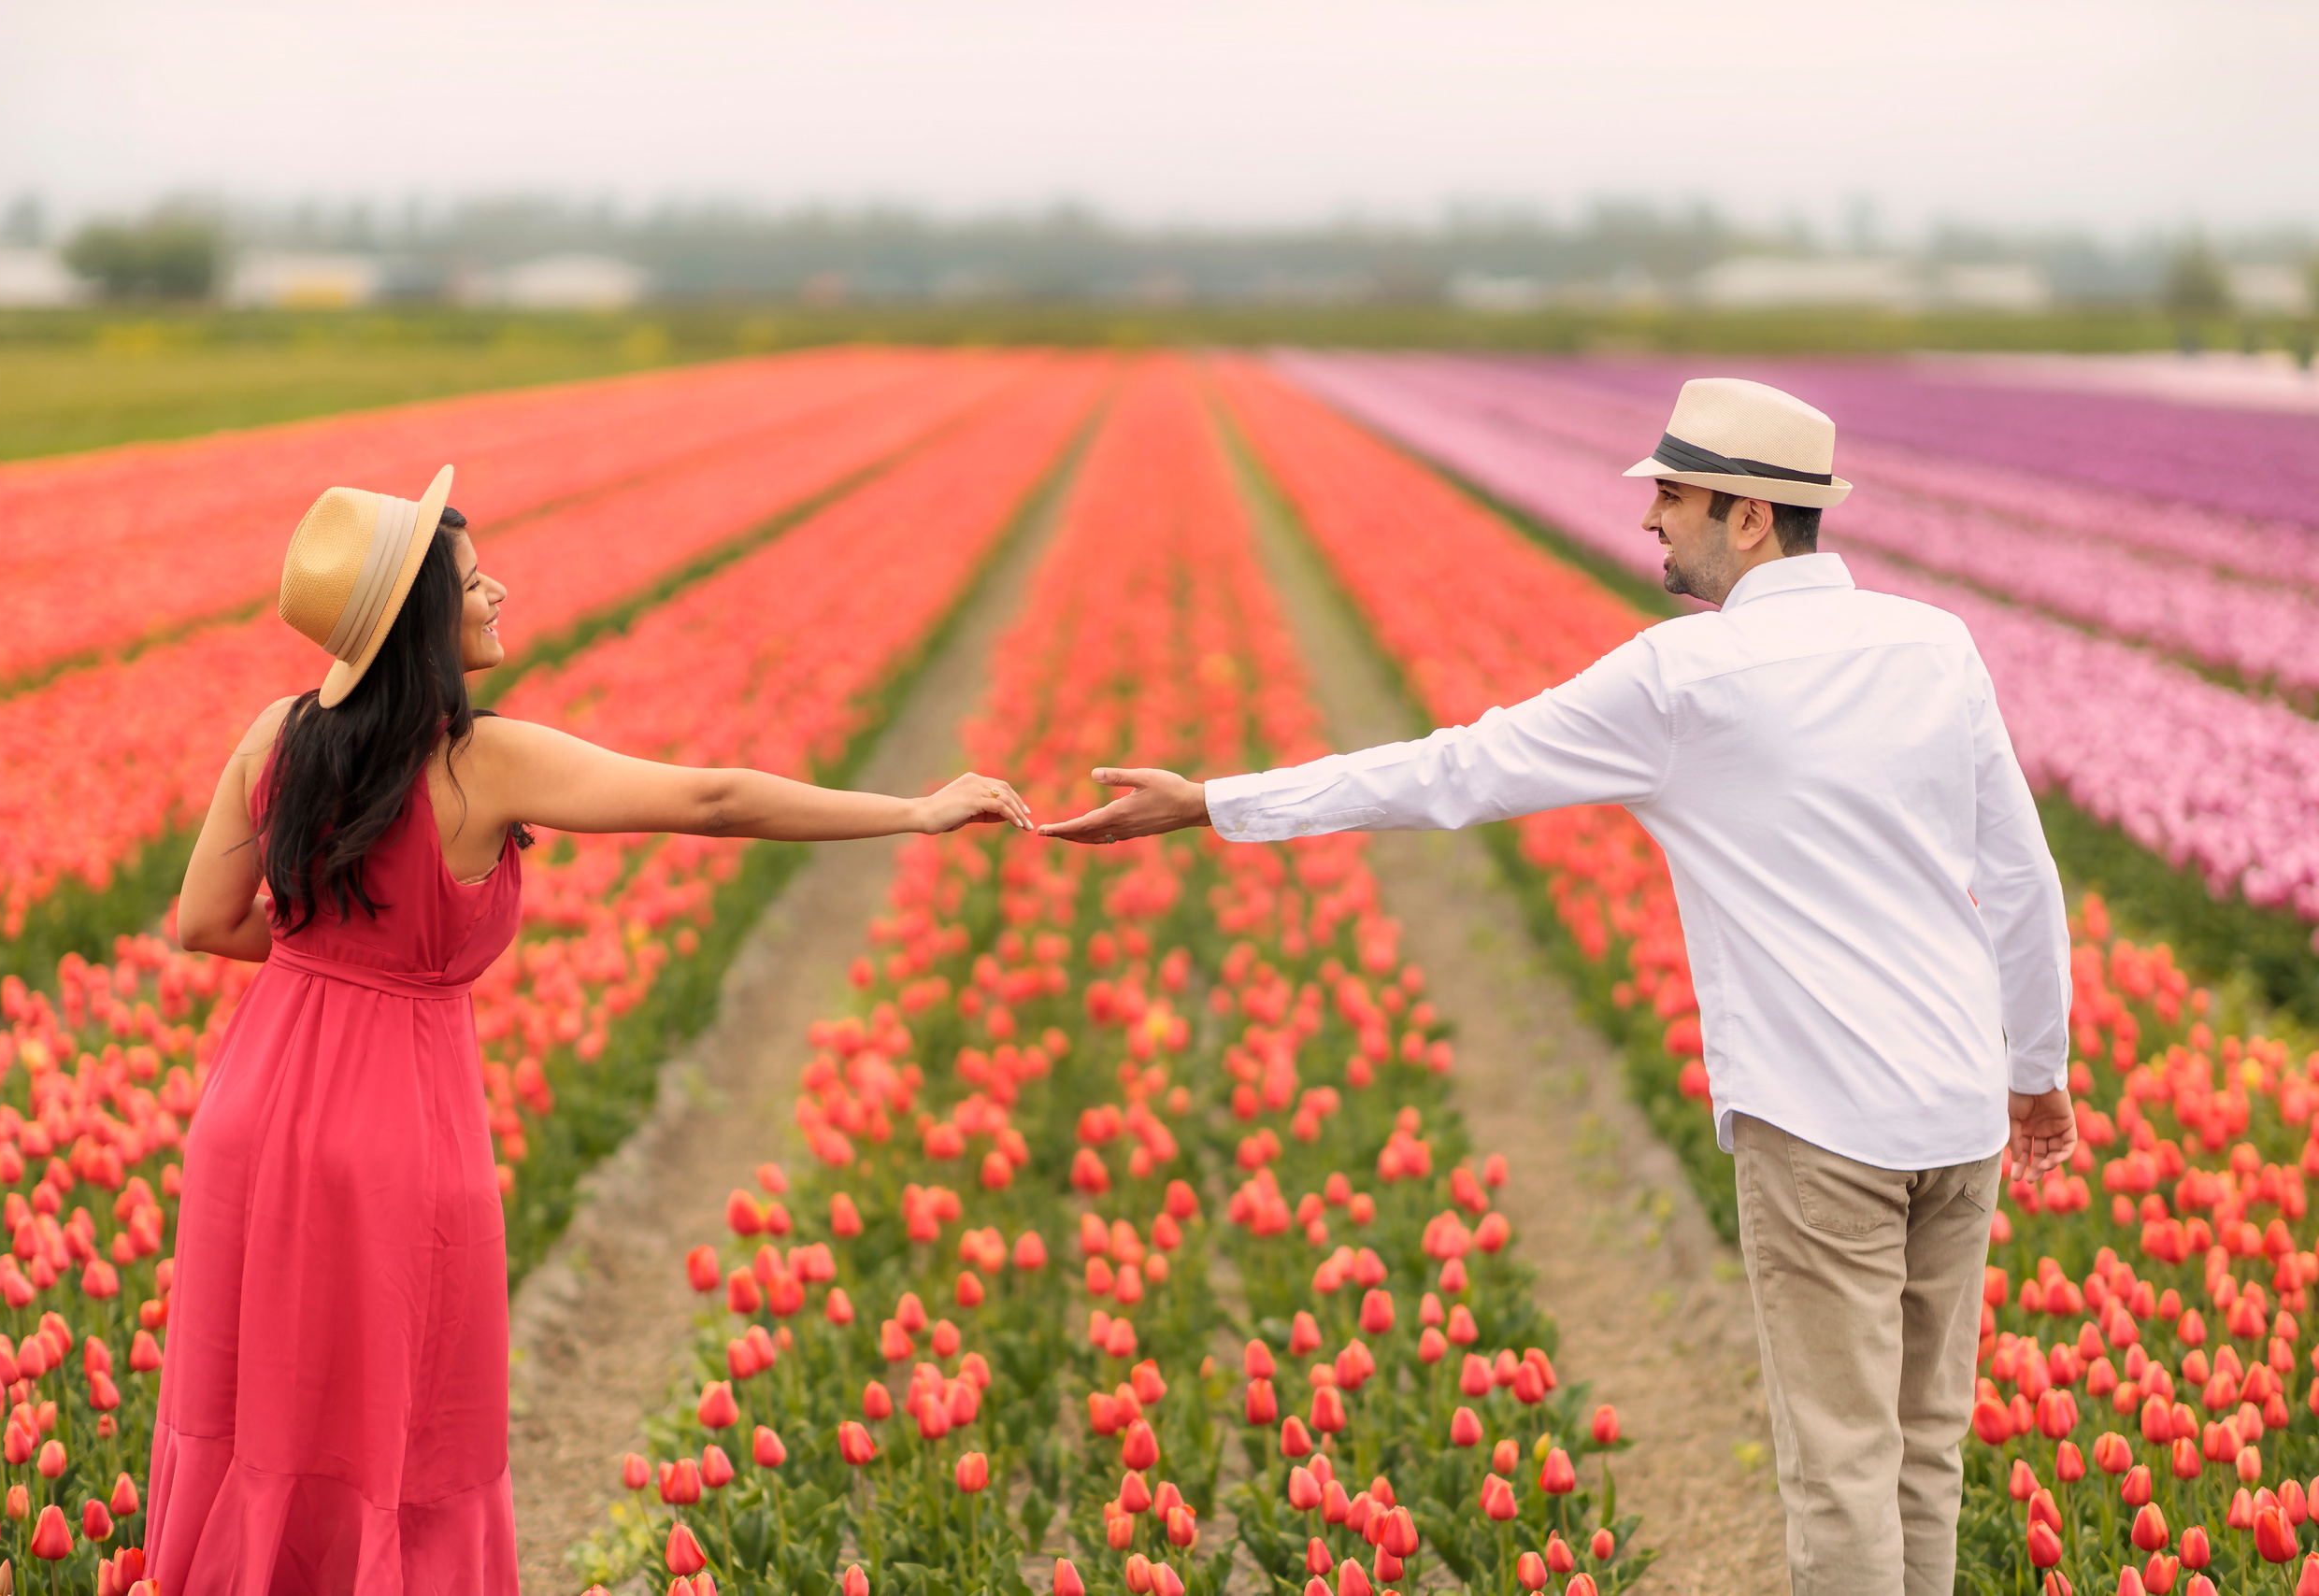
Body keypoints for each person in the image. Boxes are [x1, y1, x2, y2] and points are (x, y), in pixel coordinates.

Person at [1042, 378, 2075, 1594]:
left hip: (1823, 1126)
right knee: (1923, 1454)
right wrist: (2037, 1074)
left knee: (1842, 1462)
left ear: (1748, 519)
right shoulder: (1931, 644)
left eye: (1674, 498)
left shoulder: (1683, 680)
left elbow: (1456, 770)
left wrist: (1214, 802)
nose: (1650, 521)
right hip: (1959, 1114)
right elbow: (2019, 874)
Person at [151, 467, 1031, 1591]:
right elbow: (709, 800)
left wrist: (333, 963)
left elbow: (205, 922)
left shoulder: (277, 735)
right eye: (474, 583)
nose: (498, 592)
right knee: (404, 1425)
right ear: (425, 620)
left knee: (255, 1402)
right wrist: (910, 809)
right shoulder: (484, 760)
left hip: (254, 1105)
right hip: (398, 1125)